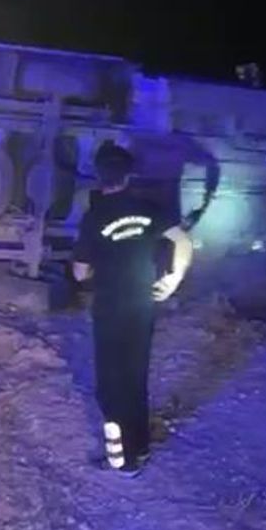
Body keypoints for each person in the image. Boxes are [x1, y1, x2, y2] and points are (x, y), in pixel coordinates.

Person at [72, 142, 193, 477]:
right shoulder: (148, 209)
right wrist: (173, 279)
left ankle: (122, 462)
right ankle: (140, 449)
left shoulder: (94, 217)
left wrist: (94, 267)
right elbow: (183, 241)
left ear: (99, 176)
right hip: (142, 305)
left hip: (109, 308)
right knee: (135, 377)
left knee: (111, 386)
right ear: (128, 176)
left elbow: (80, 272)